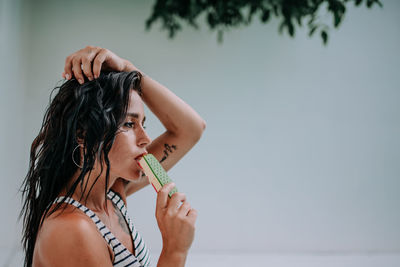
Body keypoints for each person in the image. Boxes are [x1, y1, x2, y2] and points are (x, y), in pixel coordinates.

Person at [19, 46, 206, 267]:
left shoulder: (112, 194)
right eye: (129, 123)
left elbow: (191, 129)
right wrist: (175, 250)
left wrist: (128, 69)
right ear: (83, 134)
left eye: (142, 124)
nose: (145, 138)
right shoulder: (71, 230)